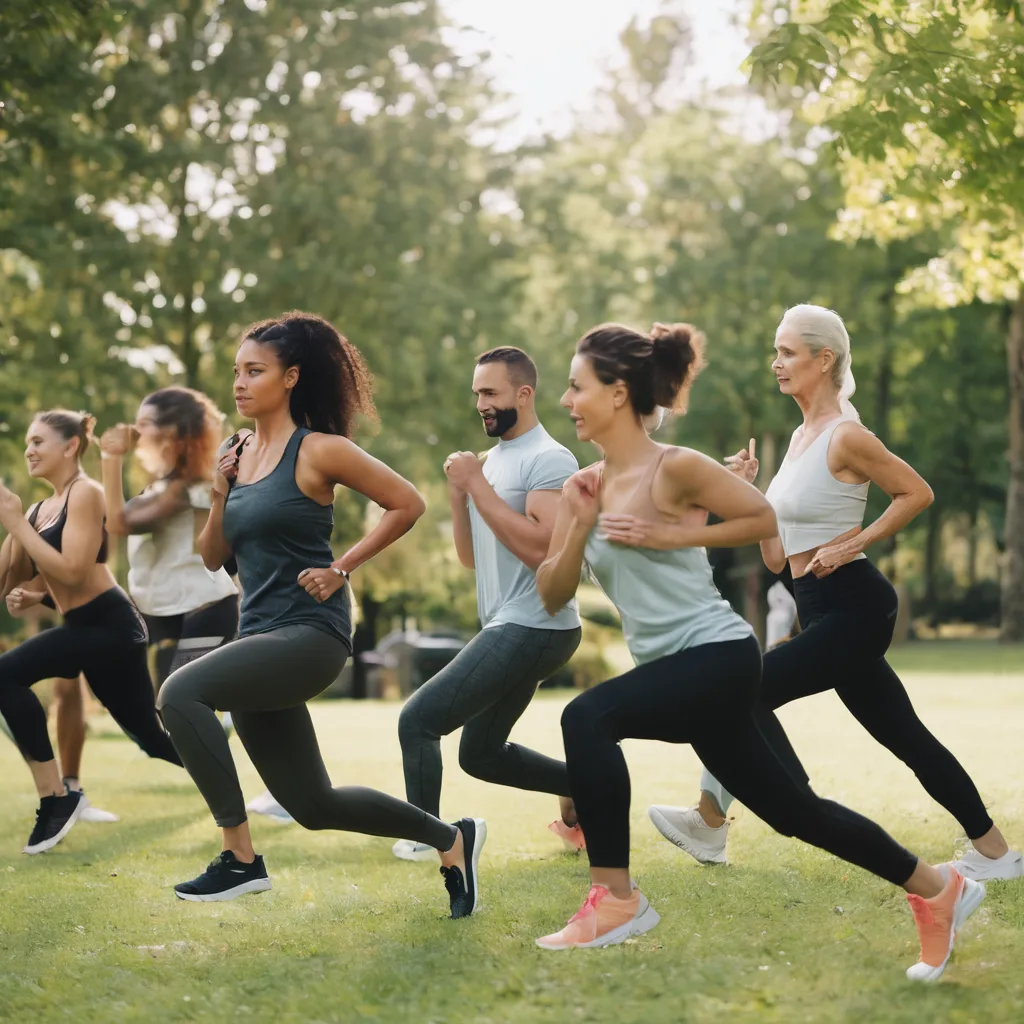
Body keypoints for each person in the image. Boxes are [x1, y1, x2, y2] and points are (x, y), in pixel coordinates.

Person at [533, 320, 984, 982]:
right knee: (794, 813)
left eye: (577, 387)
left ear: (620, 392)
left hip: (718, 654)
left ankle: (617, 900)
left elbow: (763, 520)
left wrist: (668, 538)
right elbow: (551, 593)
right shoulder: (586, 484)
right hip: (677, 671)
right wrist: (574, 524)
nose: (568, 401)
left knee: (586, 717)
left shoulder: (676, 466)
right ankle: (939, 887)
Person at [647, 304, 1021, 883]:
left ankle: (717, 819)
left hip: (856, 605)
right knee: (907, 736)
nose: (776, 363)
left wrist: (854, 543)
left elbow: (916, 492)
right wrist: (743, 494)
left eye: (788, 352)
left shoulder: (847, 436)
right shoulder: (799, 440)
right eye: (776, 352)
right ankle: (997, 854)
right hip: (819, 605)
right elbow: (778, 558)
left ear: (824, 361)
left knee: (736, 691)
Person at [156, 312, 484, 918]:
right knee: (314, 805)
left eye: (255, 371)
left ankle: (240, 860)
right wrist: (222, 491)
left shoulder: (320, 450)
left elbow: (406, 502)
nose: (240, 382)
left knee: (179, 693)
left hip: (310, 633)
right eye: (237, 371)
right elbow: (211, 557)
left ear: (291, 378)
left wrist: (343, 567)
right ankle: (452, 838)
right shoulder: (237, 452)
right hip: (258, 634)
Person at [394, 347, 584, 861]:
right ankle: (583, 784)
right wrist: (460, 496)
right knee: (479, 755)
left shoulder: (550, 459)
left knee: (418, 721)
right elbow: (471, 557)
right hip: (512, 624)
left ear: (524, 394)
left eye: (490, 392)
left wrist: (477, 485)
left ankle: (429, 838)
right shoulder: (493, 461)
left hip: (537, 623)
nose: (480, 402)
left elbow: (546, 551)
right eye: (477, 392)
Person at [0, 410, 182, 854]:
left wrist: (16, 523)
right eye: (27, 442)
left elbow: (77, 570)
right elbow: (8, 580)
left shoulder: (87, 493)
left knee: (6, 674)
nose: (29, 450)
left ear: (71, 446)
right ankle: (218, 760)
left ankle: (58, 798)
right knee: (152, 740)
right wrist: (31, 588)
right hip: (83, 627)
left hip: (113, 625)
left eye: (39, 441)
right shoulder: (40, 510)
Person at [99, 387, 239, 693]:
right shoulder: (158, 491)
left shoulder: (188, 490)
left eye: (145, 422)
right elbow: (116, 519)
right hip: (167, 615)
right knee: (170, 711)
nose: (136, 430)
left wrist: (110, 459)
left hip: (205, 610)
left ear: (172, 432)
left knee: (180, 703)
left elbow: (121, 524)